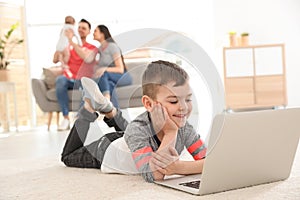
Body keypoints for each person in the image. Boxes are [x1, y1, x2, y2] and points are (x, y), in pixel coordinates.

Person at [61, 60, 206, 182]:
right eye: (174, 101)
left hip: (131, 139)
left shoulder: (185, 127)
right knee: (68, 157)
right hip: (107, 149)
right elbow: (154, 174)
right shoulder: (139, 129)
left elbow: (210, 161)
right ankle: (88, 108)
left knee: (132, 131)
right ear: (149, 104)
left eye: (188, 99)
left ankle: (110, 110)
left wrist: (178, 167)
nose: (184, 107)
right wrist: (170, 132)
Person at [65, 24, 132, 108]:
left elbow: (120, 69)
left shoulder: (112, 47)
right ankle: (113, 114)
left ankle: (106, 99)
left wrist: (104, 69)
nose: (93, 33)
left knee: (103, 74)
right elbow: (88, 58)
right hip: (109, 79)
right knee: (106, 84)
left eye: (95, 31)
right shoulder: (100, 49)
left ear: (102, 34)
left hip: (123, 77)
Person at [53, 18, 97, 131]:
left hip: (82, 80)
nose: (81, 30)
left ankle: (79, 119)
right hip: (69, 79)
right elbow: (54, 59)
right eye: (79, 28)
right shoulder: (68, 46)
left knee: (86, 84)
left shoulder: (92, 48)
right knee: (60, 80)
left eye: (84, 28)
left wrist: (71, 41)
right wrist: (61, 40)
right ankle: (66, 118)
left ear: (89, 32)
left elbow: (85, 57)